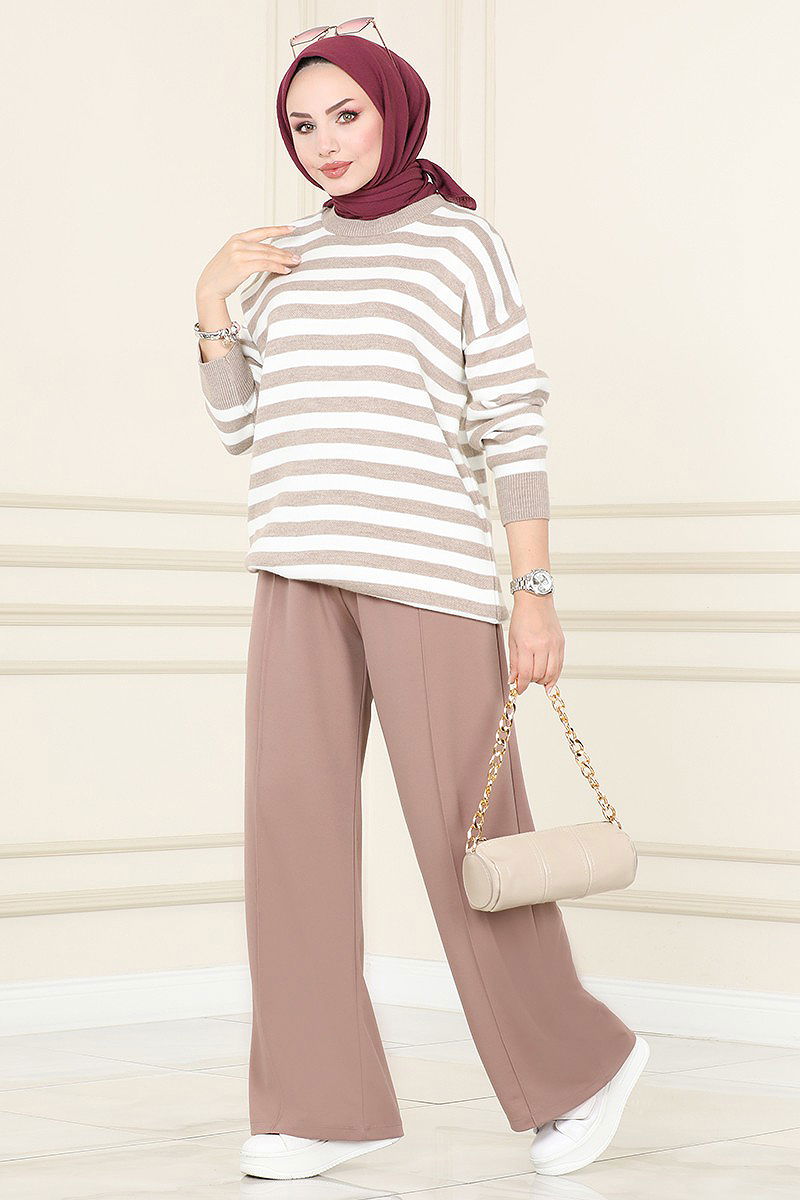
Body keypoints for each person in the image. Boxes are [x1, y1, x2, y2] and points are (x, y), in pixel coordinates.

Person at [194, 26, 649, 1183]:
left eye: (344, 115)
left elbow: (510, 422)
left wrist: (531, 595)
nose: (323, 143)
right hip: (294, 571)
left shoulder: (459, 244)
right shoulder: (282, 256)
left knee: (468, 840)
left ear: (394, 109)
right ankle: (315, 1107)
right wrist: (211, 303)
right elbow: (246, 429)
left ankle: (577, 1069)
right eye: (302, 125)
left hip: (431, 581)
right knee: (290, 838)